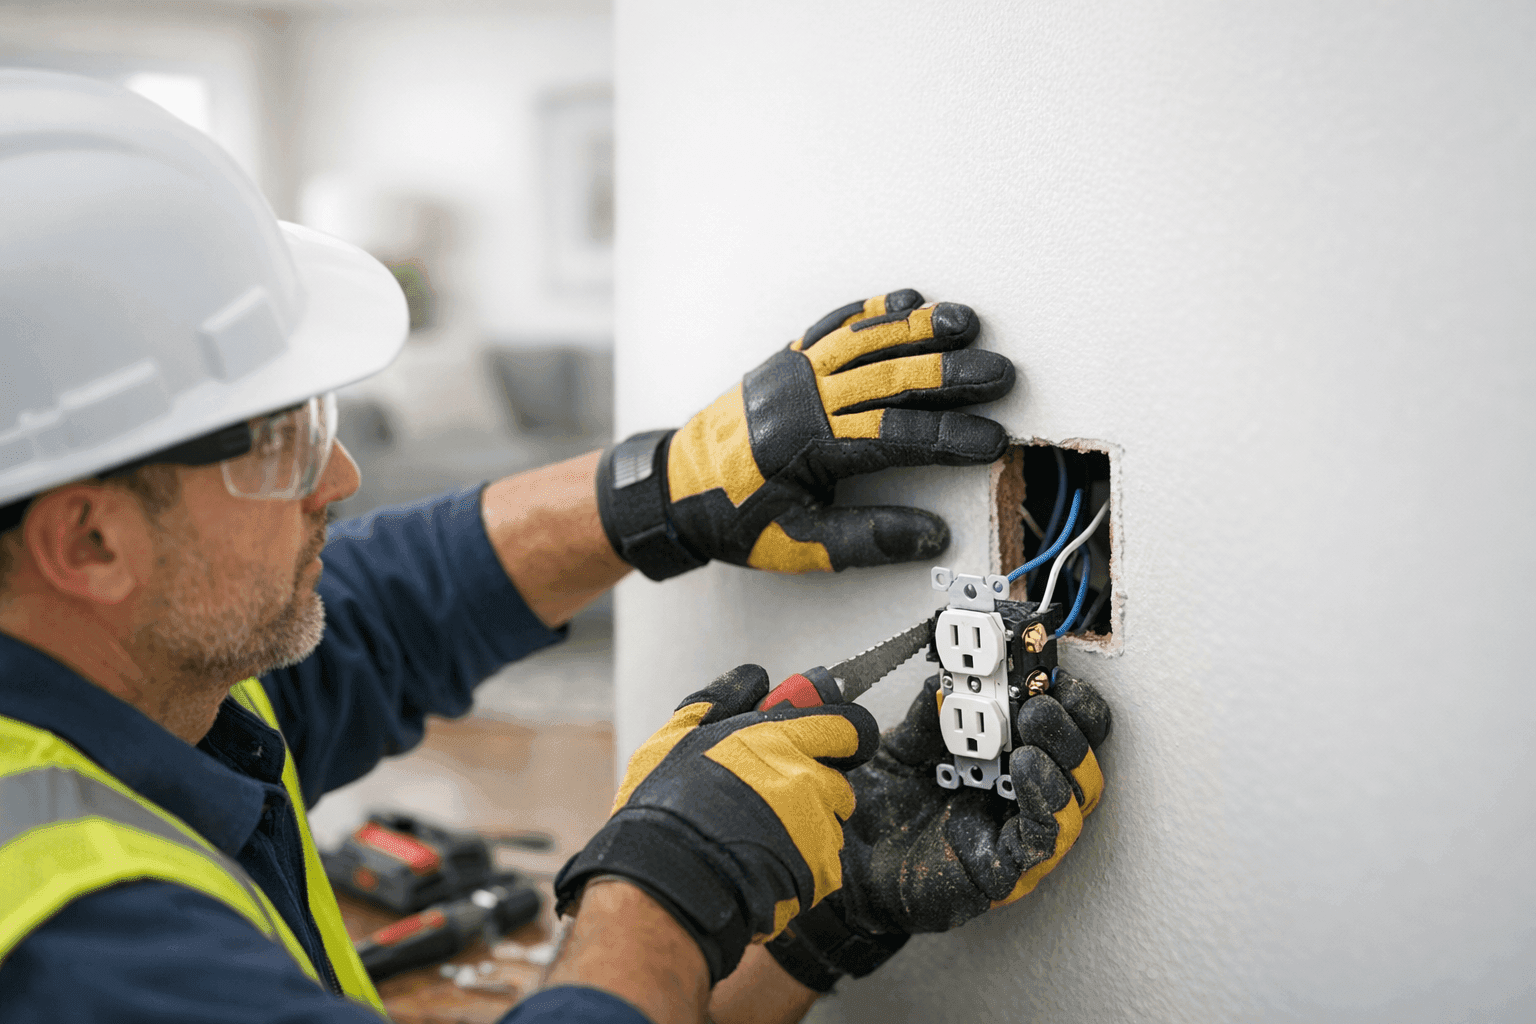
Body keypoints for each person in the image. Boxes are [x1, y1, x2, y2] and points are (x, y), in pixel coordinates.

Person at [0, 71, 1111, 1024]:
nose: (336, 481)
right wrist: (660, 881)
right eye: (285, 444)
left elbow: (384, 614)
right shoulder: (81, 949)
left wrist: (663, 488)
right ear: (89, 539)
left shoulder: (139, 681)